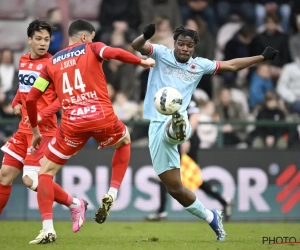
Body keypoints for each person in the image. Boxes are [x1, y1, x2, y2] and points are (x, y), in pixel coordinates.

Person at [131, 23, 278, 241]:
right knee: (175, 189)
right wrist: (144, 35)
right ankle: (211, 217)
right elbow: (137, 47)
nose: (185, 48)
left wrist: (261, 58)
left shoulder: (199, 65)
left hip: (179, 122)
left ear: (194, 48)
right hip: (156, 124)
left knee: (177, 123)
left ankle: (177, 120)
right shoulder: (161, 54)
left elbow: (233, 65)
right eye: (181, 44)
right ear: (175, 44)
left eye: (189, 45)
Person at [26, 19, 155, 244]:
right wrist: (141, 62)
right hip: (101, 117)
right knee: (124, 142)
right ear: (85, 37)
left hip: (71, 125)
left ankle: (48, 228)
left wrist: (36, 129)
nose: (94, 41)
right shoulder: (92, 48)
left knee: (44, 173)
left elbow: (31, 98)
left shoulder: (52, 62)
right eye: (93, 37)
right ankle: (112, 192)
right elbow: (114, 53)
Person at [0, 20, 88, 234]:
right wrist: (15, 104)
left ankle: (74, 203)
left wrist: (41, 115)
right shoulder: (23, 60)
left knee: (30, 180)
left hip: (44, 131)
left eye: (46, 39)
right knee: (4, 175)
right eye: (38, 38)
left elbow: (62, 98)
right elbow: (23, 91)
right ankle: (74, 204)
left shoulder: (55, 64)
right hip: (23, 130)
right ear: (29, 40)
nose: (42, 43)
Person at [145, 97, 234, 222]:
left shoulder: (186, 94)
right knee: (173, 176)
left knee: (185, 177)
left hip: (187, 142)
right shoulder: (171, 94)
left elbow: (194, 118)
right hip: (175, 141)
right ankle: (224, 201)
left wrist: (185, 139)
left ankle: (161, 212)